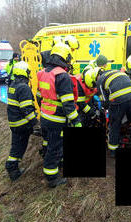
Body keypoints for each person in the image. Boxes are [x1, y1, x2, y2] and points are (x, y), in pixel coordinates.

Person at [36, 42, 81, 188]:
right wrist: (76, 121)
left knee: (50, 144)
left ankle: (57, 164)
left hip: (45, 116)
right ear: (65, 57)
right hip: (56, 119)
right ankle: (52, 178)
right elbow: (68, 103)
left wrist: (45, 108)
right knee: (54, 148)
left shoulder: (43, 73)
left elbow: (38, 96)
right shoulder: (62, 76)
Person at [83, 67, 131, 155]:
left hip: (118, 102)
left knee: (115, 125)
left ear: (95, 78)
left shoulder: (100, 80)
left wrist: (106, 109)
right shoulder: (118, 72)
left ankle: (113, 150)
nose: (95, 86)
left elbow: (104, 102)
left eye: (94, 84)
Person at [5, 61, 38, 181]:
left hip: (14, 123)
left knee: (16, 146)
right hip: (22, 124)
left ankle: (13, 167)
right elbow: (27, 110)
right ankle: (11, 167)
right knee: (19, 148)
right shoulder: (23, 87)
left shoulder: (13, 85)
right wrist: (35, 123)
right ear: (25, 72)